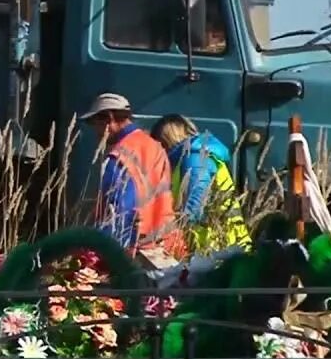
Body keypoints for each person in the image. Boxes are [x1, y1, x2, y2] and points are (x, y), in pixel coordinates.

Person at [80, 93, 186, 258]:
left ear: (109, 119)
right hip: (165, 246)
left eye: (96, 124)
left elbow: (120, 213)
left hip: (137, 252)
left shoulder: (120, 155)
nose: (96, 132)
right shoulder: (154, 146)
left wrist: (101, 254)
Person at [150, 115, 251, 253]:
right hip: (220, 246)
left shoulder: (195, 156)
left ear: (165, 140)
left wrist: (179, 238)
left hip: (215, 250)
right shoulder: (191, 155)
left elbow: (194, 204)